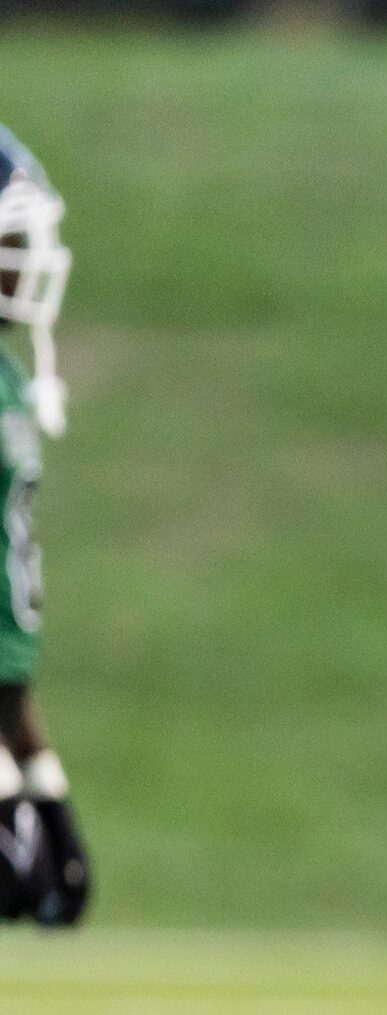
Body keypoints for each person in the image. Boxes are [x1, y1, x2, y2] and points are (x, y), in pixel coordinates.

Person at [1, 125, 90, 931]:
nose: (27, 260)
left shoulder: (9, 382)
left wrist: (41, 774)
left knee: (32, 884)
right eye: (10, 241)